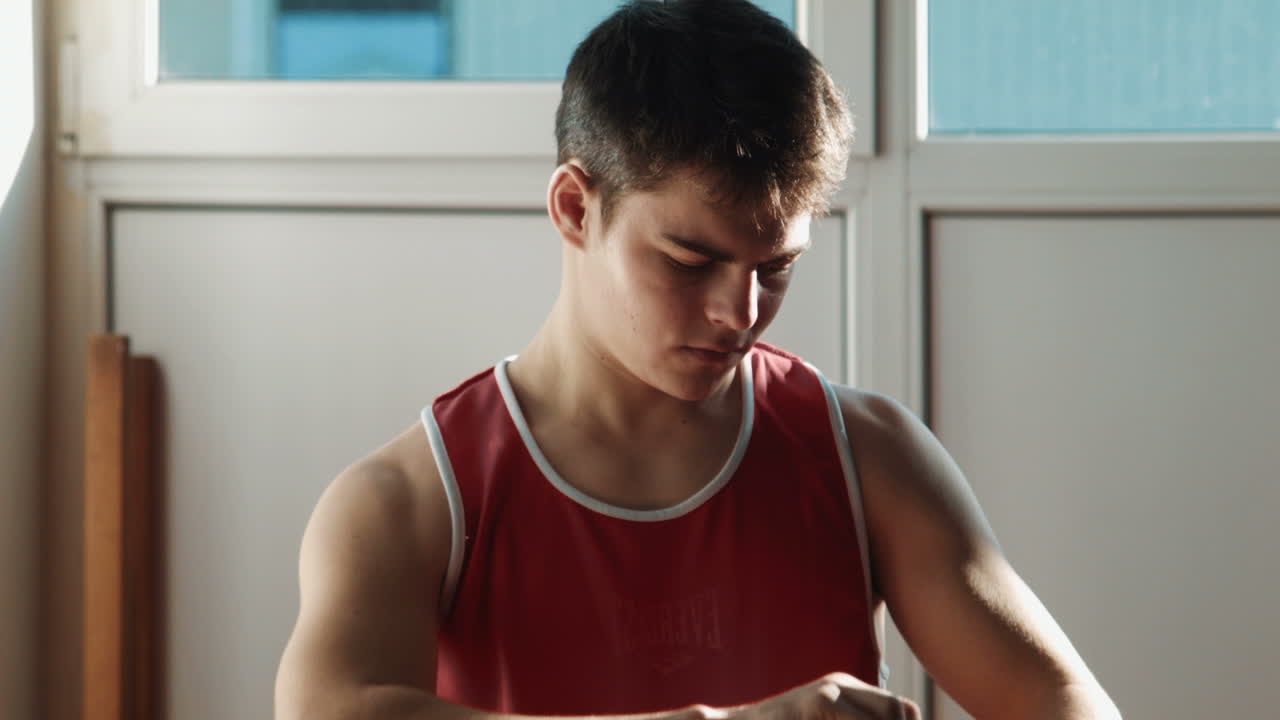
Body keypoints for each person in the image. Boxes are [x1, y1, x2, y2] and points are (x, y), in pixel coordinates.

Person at [275, 2, 1119, 719]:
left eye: (775, 267)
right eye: (688, 262)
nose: (739, 314)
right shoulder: (405, 503)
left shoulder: (873, 458)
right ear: (575, 207)